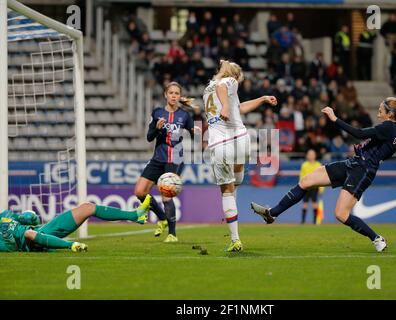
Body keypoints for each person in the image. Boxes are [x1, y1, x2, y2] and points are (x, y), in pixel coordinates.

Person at [251, 97, 396, 252]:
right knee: (307, 180)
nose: (378, 110)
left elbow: (359, 133)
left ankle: (377, 238)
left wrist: (334, 118)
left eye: (381, 108)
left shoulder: (388, 127)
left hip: (363, 170)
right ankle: (272, 214)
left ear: (389, 113)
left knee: (340, 214)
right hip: (354, 163)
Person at [202, 60, 277, 252]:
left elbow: (239, 107)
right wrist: (226, 106)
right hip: (241, 139)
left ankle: (235, 238)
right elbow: (224, 87)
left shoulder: (208, 88)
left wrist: (260, 99)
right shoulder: (230, 81)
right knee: (236, 182)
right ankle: (231, 210)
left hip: (220, 143)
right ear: (235, 75)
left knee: (227, 191)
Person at [135, 82, 198, 243]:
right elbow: (149, 137)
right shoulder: (157, 112)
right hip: (158, 158)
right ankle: (162, 217)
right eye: (171, 93)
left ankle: (172, 234)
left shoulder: (184, 116)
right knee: (140, 192)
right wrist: (156, 128)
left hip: (175, 160)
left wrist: (196, 131)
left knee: (166, 196)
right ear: (165, 95)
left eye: (177, 93)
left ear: (179, 96)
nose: (174, 96)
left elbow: (194, 132)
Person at [0, 195, 151, 252]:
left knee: (88, 207)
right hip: (34, 240)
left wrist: (29, 216)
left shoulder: (5, 215)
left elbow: (32, 220)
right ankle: (69, 245)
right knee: (30, 234)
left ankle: (135, 215)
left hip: (42, 229)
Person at [300, 149, 322, 224]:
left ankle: (315, 221)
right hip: (306, 187)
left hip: (315, 187)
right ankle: (303, 221)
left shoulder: (318, 165)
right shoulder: (304, 165)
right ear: (307, 156)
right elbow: (301, 176)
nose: (311, 156)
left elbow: (321, 178)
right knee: (305, 204)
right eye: (309, 154)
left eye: (312, 154)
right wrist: (301, 186)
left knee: (315, 204)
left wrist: (321, 189)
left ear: (315, 156)